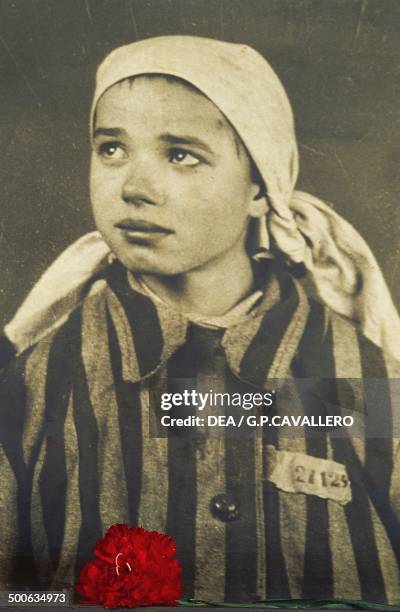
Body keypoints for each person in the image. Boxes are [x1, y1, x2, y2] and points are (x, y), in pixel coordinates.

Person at [0, 35, 400, 604]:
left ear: (260, 187)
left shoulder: (365, 377)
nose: (134, 188)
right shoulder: (34, 382)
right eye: (111, 148)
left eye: (181, 154)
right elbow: (12, 599)